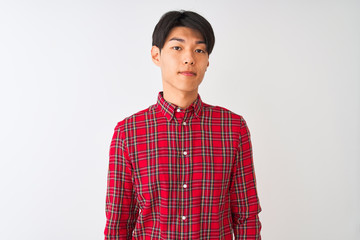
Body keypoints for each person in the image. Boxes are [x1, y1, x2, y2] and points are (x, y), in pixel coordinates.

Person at [104, 10, 262, 240]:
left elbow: (246, 215)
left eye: (199, 50)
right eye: (177, 48)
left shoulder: (233, 128)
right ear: (156, 55)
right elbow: (119, 221)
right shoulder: (128, 133)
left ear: (207, 61)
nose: (189, 58)